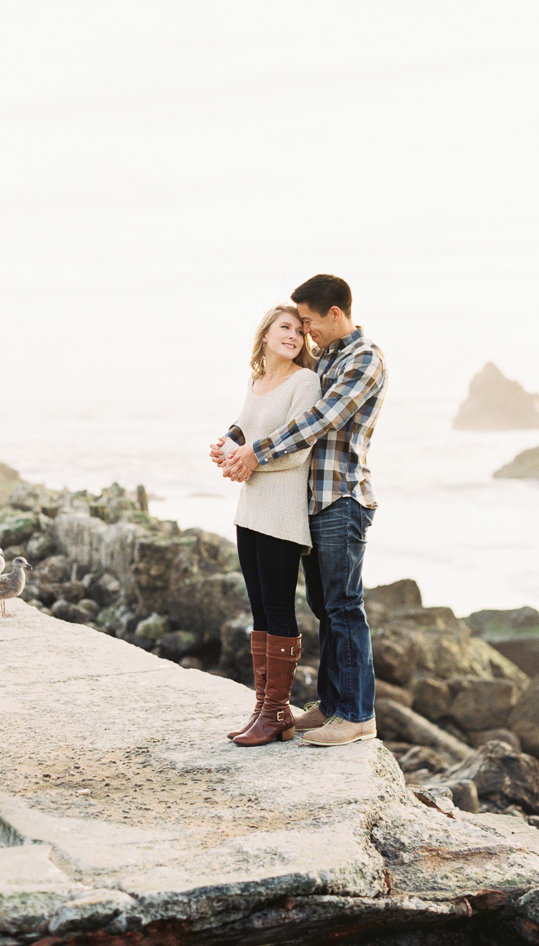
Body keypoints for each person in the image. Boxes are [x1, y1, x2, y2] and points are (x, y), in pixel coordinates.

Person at [220, 274, 387, 747]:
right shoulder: (328, 357)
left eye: (310, 322)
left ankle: (357, 714)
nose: (305, 332)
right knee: (324, 607)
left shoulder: (364, 359)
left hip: (342, 497)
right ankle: (333, 705)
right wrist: (235, 443)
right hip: (312, 500)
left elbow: (319, 420)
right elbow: (266, 409)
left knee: (343, 606)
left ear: (336, 314)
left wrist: (254, 454)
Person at [214, 305, 321, 747]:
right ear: (265, 334)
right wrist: (226, 445)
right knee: (258, 608)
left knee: (278, 608)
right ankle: (263, 708)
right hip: (250, 507)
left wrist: (247, 458)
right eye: (285, 328)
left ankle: (278, 711)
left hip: (282, 512)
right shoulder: (257, 382)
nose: (294, 335)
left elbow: (297, 450)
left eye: (300, 331)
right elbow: (246, 426)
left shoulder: (306, 382)